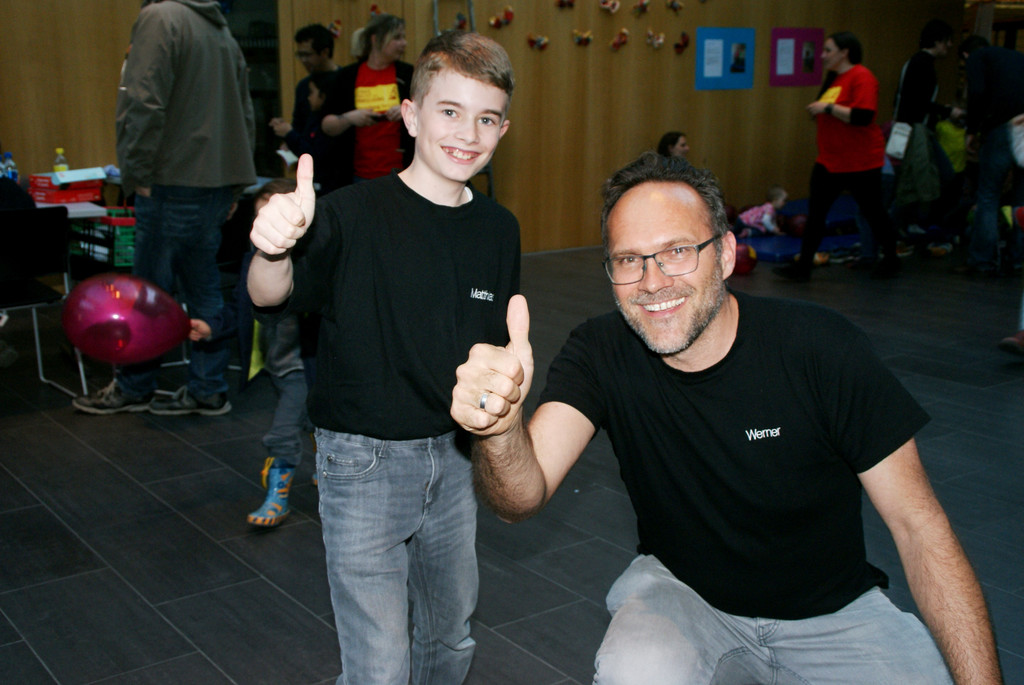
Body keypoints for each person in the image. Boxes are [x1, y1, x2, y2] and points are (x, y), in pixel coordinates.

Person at [451, 152, 1002, 684]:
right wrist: (499, 431)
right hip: (685, 596)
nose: (652, 281)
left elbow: (920, 529)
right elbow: (520, 498)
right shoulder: (601, 351)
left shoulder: (819, 349)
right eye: (628, 259)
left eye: (677, 251)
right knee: (636, 671)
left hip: (835, 613)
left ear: (727, 254)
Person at [247, 31, 518, 684]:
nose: (467, 132)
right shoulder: (348, 214)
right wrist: (273, 248)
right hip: (361, 462)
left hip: (457, 462)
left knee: (449, 642)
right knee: (379, 665)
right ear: (412, 114)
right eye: (449, 111)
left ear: (503, 130)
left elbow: (496, 342)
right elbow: (271, 295)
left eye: (486, 118)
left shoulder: (498, 227)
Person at [73, 0, 256, 416]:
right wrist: (234, 186)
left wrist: (134, 175)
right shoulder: (220, 30)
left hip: (170, 179)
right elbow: (245, 113)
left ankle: (135, 386)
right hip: (214, 180)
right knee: (204, 284)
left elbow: (142, 102)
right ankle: (207, 387)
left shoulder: (161, 19)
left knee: (148, 294)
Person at [189, 179, 316, 527]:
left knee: (284, 430)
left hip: (303, 369)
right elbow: (239, 308)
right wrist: (213, 327)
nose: (271, 229)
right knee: (312, 420)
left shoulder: (313, 265)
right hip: (277, 366)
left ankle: (279, 495)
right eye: (262, 220)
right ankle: (326, 465)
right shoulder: (254, 261)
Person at [775, 31, 900, 282]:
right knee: (817, 214)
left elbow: (864, 116)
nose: (822, 55)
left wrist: (827, 108)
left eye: (828, 50)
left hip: (860, 162)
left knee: (873, 211)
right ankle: (803, 267)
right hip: (830, 160)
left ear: (845, 52)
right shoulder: (834, 78)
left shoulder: (862, 76)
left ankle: (891, 258)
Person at [320, 13, 414, 186]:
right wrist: (350, 118)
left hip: (403, 175)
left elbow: (430, 115)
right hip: (355, 177)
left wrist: (408, 111)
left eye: (404, 37)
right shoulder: (346, 77)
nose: (404, 43)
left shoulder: (409, 74)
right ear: (375, 39)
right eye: (397, 38)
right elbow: (327, 125)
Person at [958, 35, 1024, 276]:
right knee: (1022, 199)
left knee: (988, 196)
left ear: (966, 54)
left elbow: (976, 92)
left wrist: (972, 129)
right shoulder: (1017, 57)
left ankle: (982, 261)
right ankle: (1017, 259)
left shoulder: (977, 57)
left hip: (1002, 127)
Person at [275, 69, 344, 194]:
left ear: (323, 96)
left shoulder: (330, 124)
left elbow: (312, 154)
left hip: (328, 186)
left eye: (312, 92)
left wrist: (290, 135)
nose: (308, 97)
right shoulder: (313, 117)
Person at [270, 23, 340, 146]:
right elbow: (299, 125)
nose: (303, 60)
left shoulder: (345, 80)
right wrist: (288, 133)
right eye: (300, 55)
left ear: (324, 52)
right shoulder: (303, 86)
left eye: (307, 55)